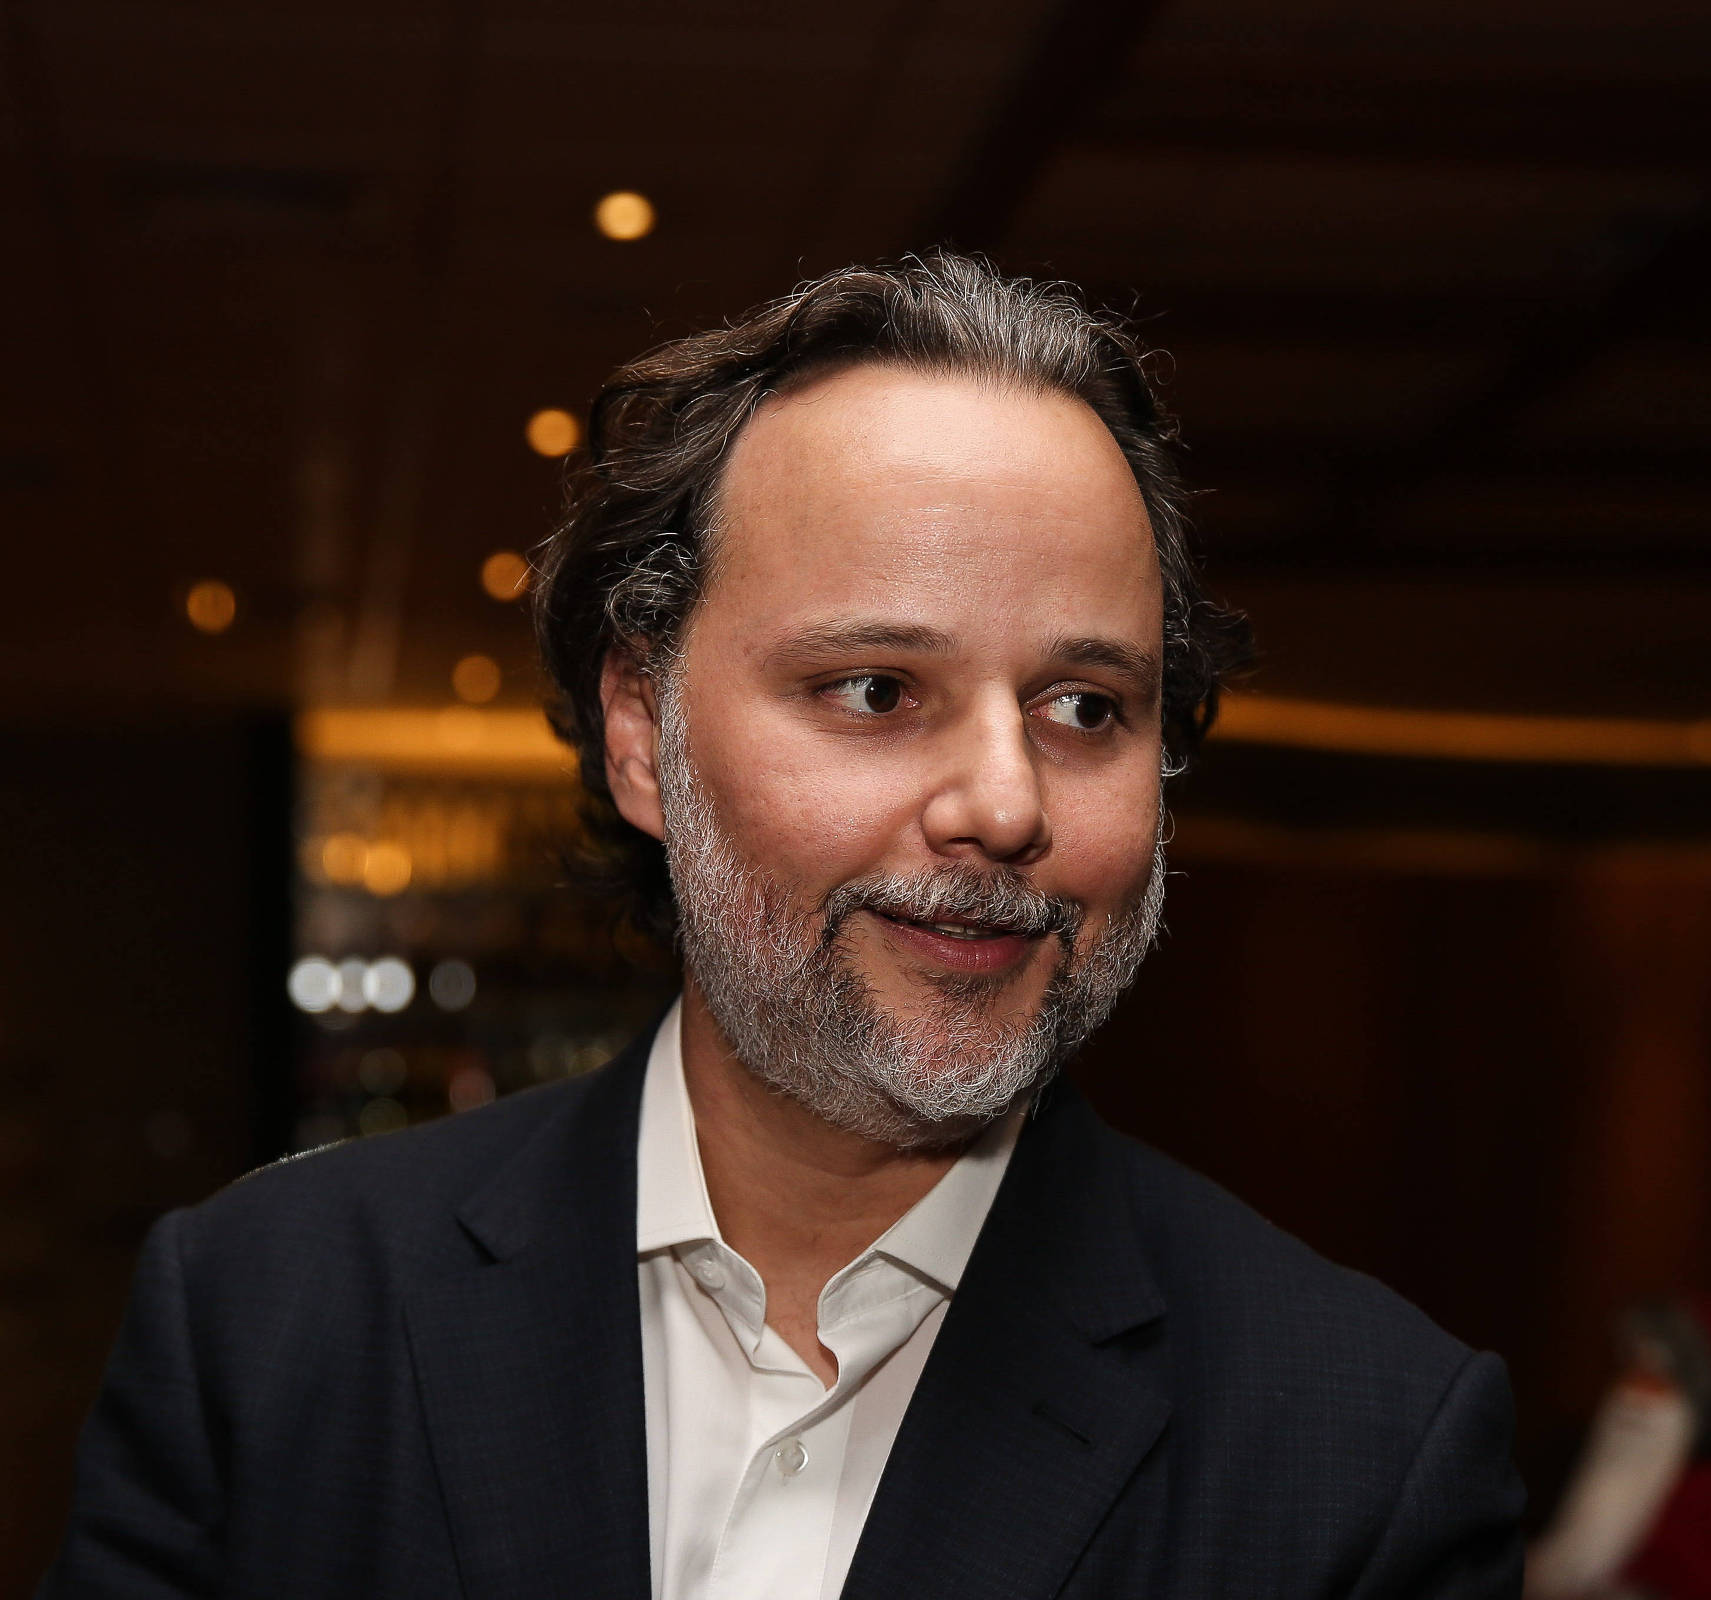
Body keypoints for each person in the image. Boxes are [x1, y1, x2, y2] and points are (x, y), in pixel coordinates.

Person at [41, 255, 1525, 1599]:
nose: (1006, 803)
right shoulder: (271, 1322)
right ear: (644, 734)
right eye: (876, 690)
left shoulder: (1364, 1455)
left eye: (1086, 708)